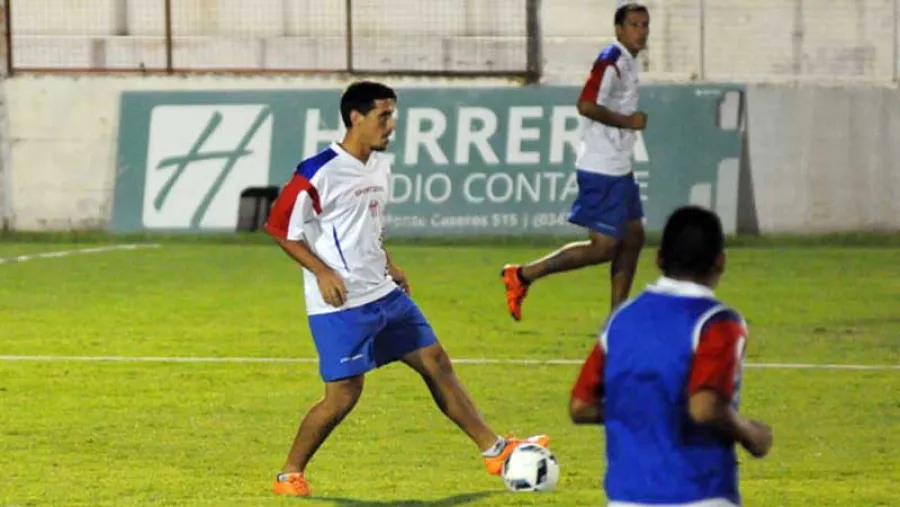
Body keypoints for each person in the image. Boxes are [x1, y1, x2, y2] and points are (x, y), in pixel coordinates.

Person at [263, 80, 549, 497]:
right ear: (355, 117)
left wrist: (390, 265)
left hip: (383, 292)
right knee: (342, 397)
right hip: (342, 305)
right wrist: (323, 272)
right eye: (384, 115)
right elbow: (279, 228)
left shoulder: (379, 165)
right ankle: (289, 474)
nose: (391, 124)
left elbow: (367, 227)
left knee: (435, 360)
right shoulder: (318, 170)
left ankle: (494, 450)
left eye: (393, 114)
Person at [568, 205, 773, 507]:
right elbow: (704, 408)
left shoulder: (622, 319)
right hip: (700, 494)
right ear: (720, 262)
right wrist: (750, 434)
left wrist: (642, 408)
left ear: (659, 258)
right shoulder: (718, 323)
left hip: (626, 497)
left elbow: (581, 407)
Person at [501, 2, 651, 321]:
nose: (641, 31)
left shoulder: (628, 61)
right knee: (604, 247)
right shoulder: (610, 60)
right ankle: (523, 275)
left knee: (634, 235)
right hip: (602, 167)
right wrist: (627, 121)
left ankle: (617, 317)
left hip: (619, 167)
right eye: (634, 25)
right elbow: (585, 104)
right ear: (619, 29)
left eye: (644, 25)